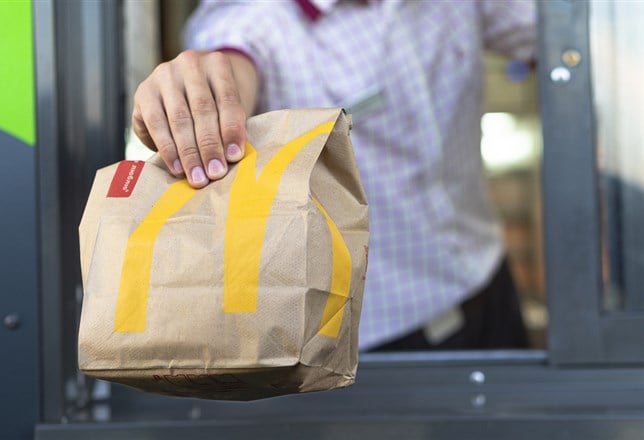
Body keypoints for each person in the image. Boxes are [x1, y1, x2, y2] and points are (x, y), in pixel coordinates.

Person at [132, 0, 535, 351]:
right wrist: (198, 87)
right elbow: (226, 63)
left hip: (488, 284)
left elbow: (558, 29)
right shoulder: (254, 17)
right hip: (372, 341)